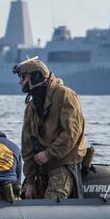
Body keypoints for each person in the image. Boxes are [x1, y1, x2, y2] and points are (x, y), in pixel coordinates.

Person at [14, 56, 87, 199]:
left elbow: (71, 133)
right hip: (41, 166)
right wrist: (29, 181)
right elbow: (27, 145)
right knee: (22, 197)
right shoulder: (31, 107)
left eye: (23, 77)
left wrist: (49, 154)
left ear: (36, 77)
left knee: (53, 198)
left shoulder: (65, 95)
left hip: (63, 163)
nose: (20, 82)